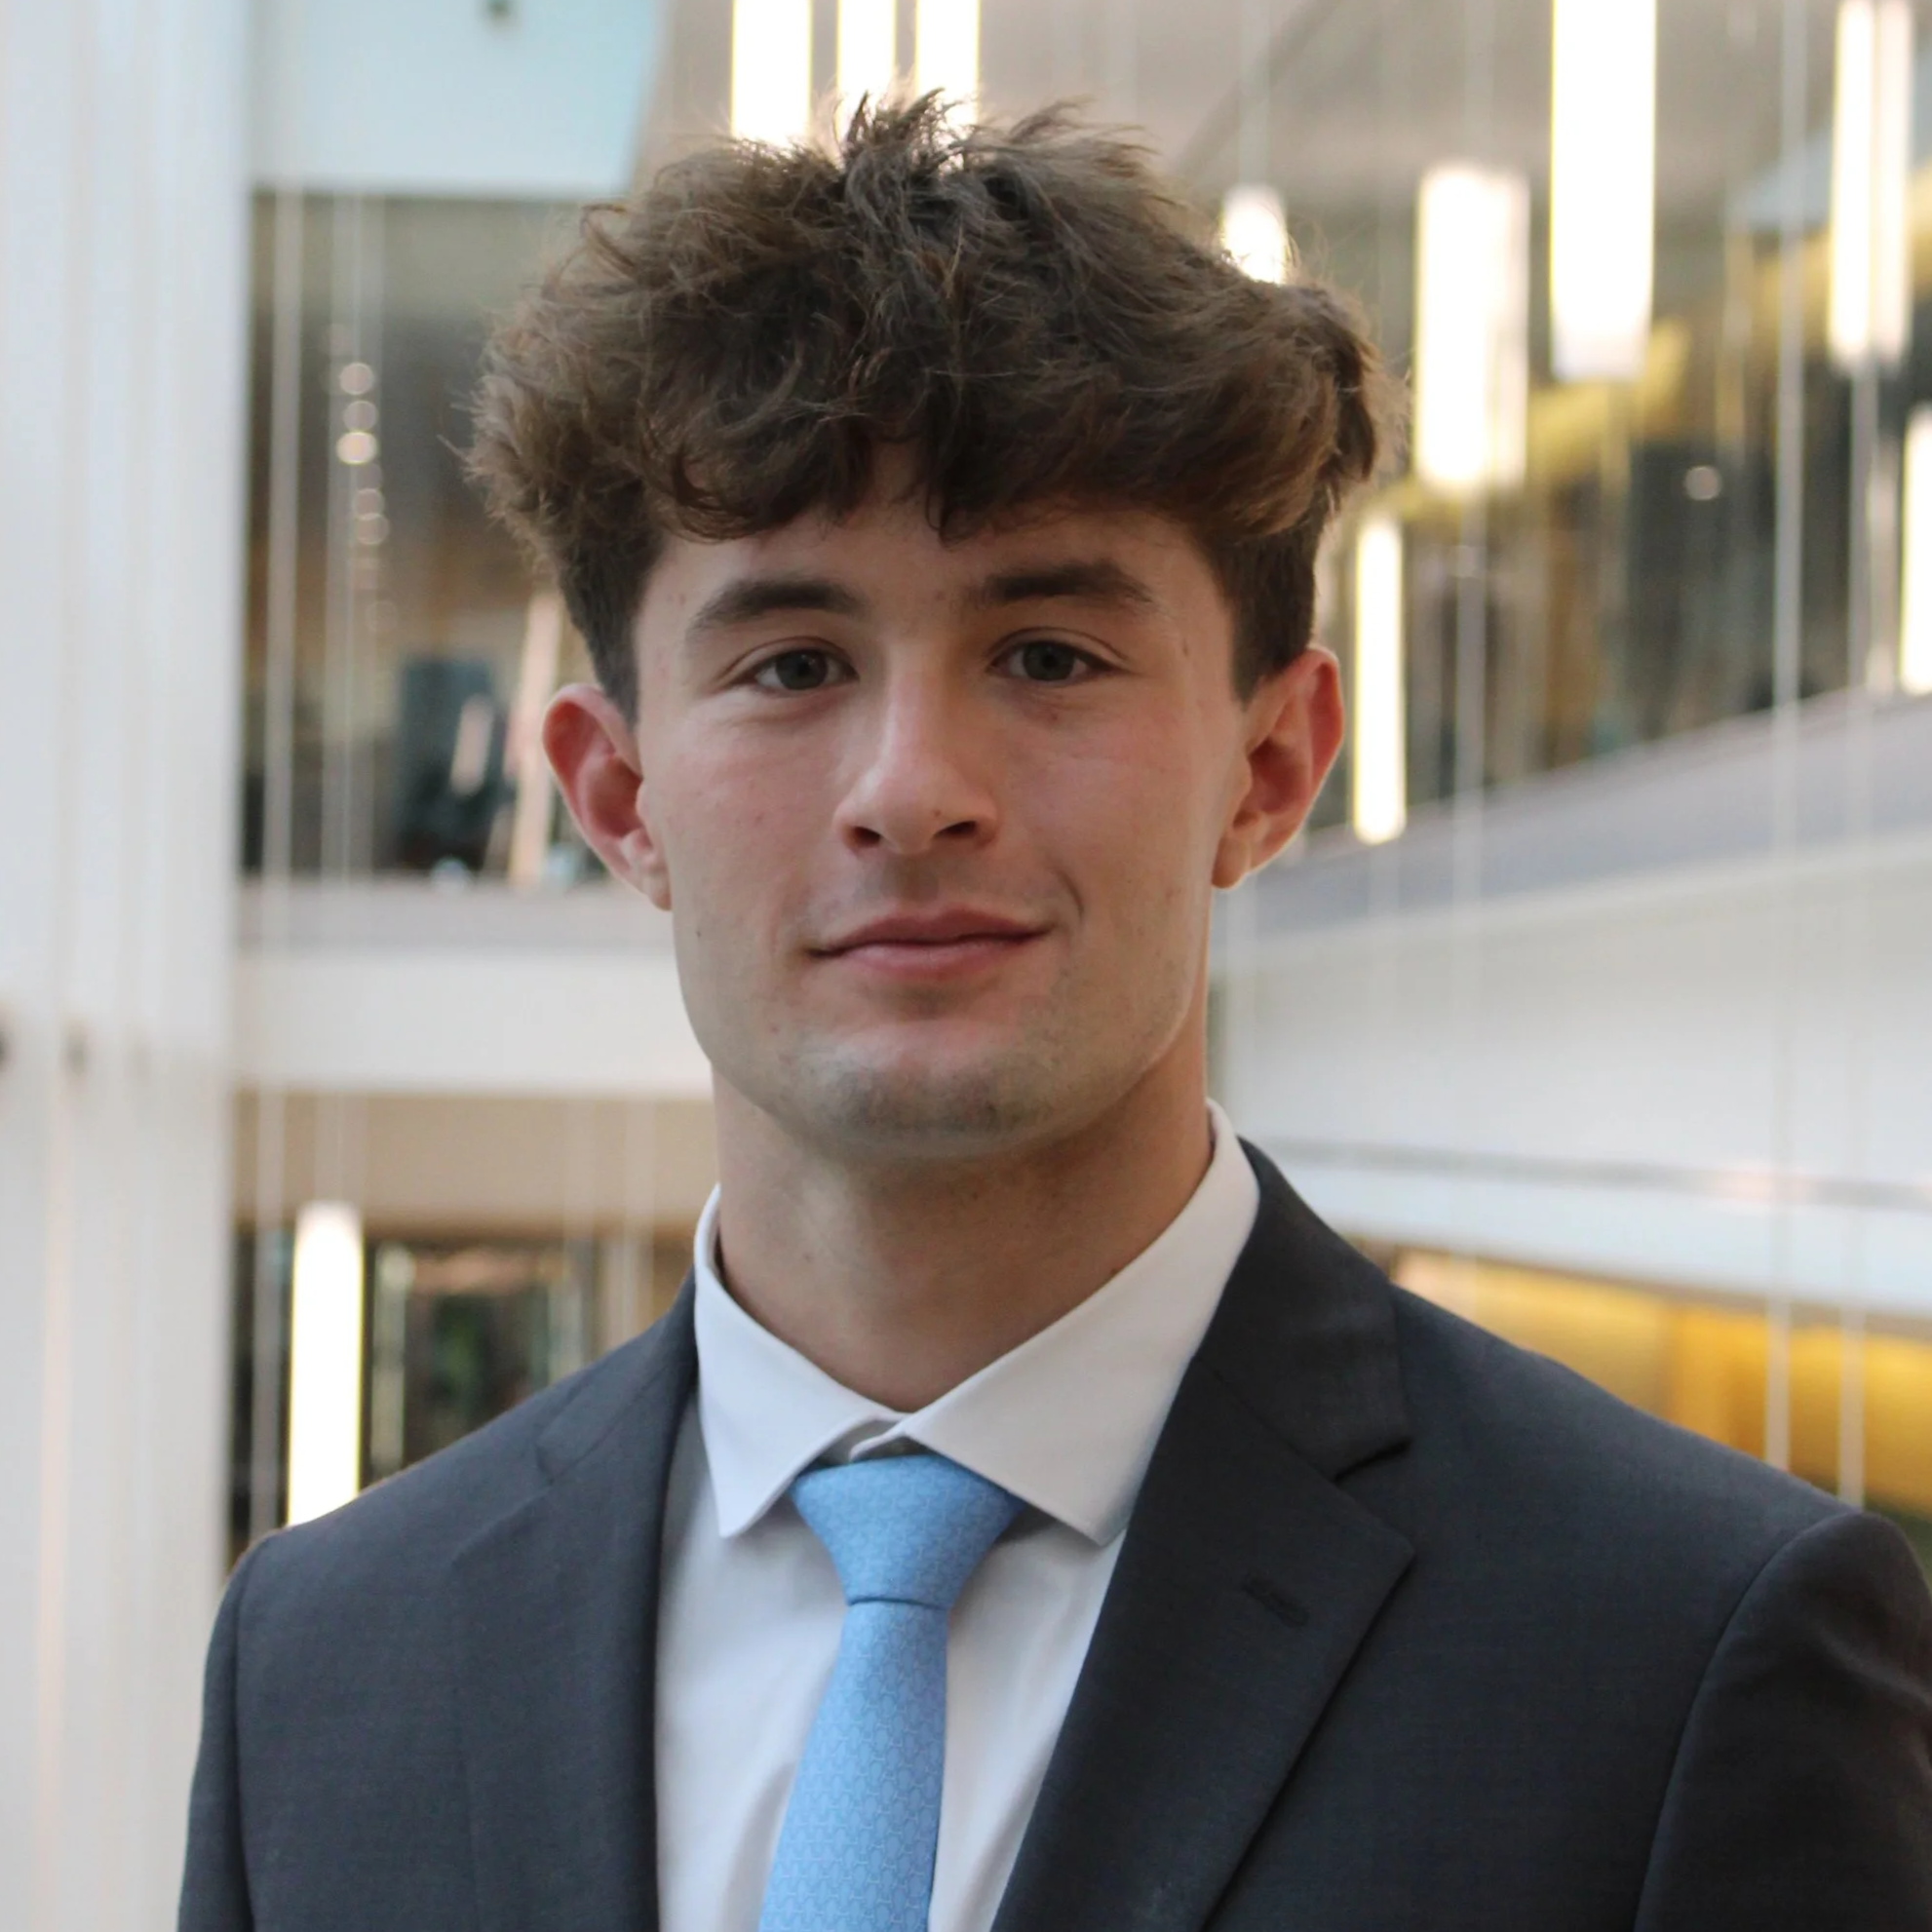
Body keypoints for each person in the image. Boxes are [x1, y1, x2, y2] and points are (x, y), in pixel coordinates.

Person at [178, 102, 1932, 1932]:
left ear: (1269, 764)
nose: (912, 787)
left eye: (1047, 655)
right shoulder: (324, 1664)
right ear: (618, 801)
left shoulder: (1680, 1650)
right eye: (791, 664)